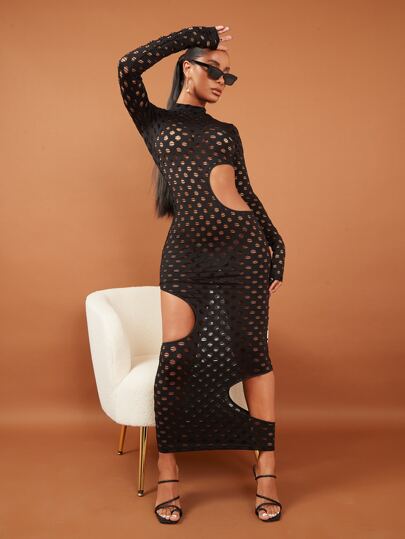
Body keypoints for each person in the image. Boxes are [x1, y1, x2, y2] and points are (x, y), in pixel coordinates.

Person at [118, 24, 286, 523]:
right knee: (176, 358)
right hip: (187, 256)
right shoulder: (154, 122)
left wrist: (276, 243)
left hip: (243, 251)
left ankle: (267, 470)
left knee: (254, 356)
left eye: (228, 76)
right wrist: (194, 33)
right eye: (215, 70)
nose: (222, 82)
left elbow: (245, 192)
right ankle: (168, 469)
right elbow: (127, 66)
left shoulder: (226, 132)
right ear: (188, 68)